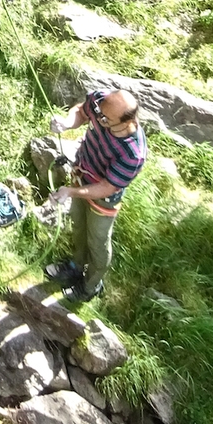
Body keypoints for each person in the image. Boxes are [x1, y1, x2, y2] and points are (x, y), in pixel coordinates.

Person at [44, 88, 147, 300]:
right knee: (79, 226)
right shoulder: (102, 103)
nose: (99, 119)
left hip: (103, 199)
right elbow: (82, 112)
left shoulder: (133, 154)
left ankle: (90, 286)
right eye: (99, 113)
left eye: (105, 119)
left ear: (127, 122)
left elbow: (107, 187)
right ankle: (75, 265)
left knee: (98, 242)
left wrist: (71, 191)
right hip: (81, 175)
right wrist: (67, 122)